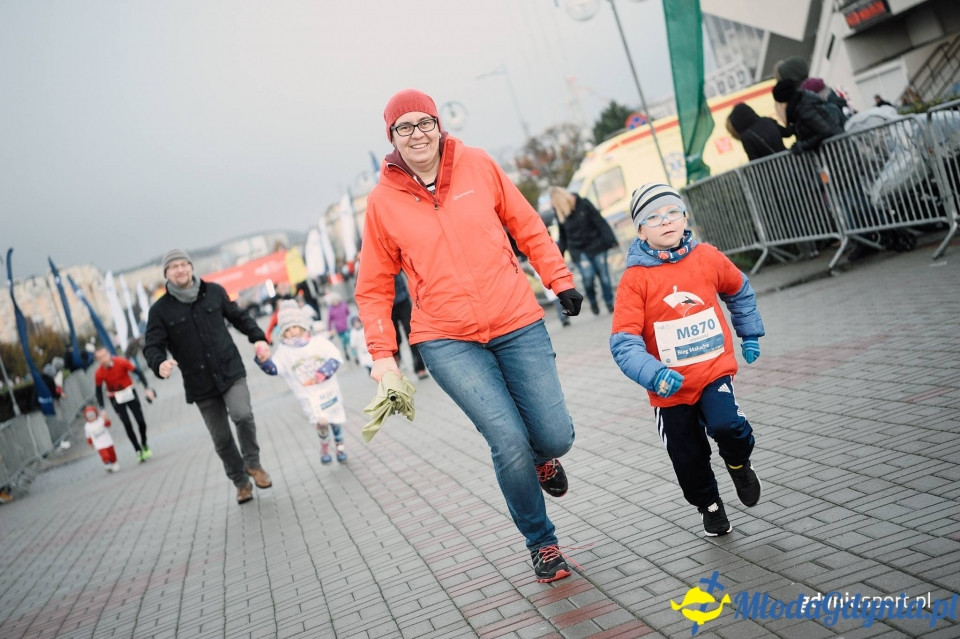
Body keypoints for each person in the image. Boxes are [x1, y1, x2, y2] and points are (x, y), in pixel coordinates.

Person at [355, 88, 584, 584]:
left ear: (439, 125)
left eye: (424, 123)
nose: (416, 134)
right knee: (507, 440)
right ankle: (542, 543)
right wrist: (382, 355)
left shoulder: (479, 165)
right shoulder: (382, 202)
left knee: (553, 435)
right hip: (446, 338)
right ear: (391, 137)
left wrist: (558, 279)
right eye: (404, 127)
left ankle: (543, 458)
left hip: (515, 320)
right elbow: (372, 286)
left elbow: (526, 225)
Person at [610, 183, 765, 537]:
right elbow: (623, 341)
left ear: (684, 217)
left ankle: (739, 463)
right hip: (669, 389)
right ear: (640, 231)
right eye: (653, 217)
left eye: (671, 213)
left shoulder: (707, 257)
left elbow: (738, 289)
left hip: (712, 372)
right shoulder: (635, 280)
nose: (665, 222)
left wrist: (749, 333)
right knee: (688, 457)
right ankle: (709, 505)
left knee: (729, 427)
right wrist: (654, 375)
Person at [144, 249, 273, 505]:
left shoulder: (213, 291)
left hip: (230, 370)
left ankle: (253, 464)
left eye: (183, 264)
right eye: (174, 267)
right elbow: (152, 346)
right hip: (199, 382)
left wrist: (258, 338)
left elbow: (239, 317)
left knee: (243, 415)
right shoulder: (160, 310)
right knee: (222, 439)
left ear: (191, 267)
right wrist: (159, 364)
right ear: (166, 274)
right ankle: (240, 482)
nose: (180, 270)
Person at [256, 306, 348, 464]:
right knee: (322, 422)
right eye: (287, 329)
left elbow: (335, 356)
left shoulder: (318, 342)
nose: (292, 331)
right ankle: (325, 445)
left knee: (335, 420)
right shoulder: (284, 351)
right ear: (282, 332)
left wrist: (323, 373)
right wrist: (263, 361)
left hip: (328, 390)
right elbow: (275, 369)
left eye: (294, 327)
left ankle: (339, 445)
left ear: (302, 326)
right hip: (309, 395)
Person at [549, 187, 619, 315]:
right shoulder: (560, 213)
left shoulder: (584, 204)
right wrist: (559, 255)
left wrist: (611, 239)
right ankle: (592, 300)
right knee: (588, 277)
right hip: (579, 250)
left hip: (596, 244)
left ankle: (609, 302)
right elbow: (563, 236)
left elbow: (599, 221)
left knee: (604, 276)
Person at [93, 346, 155, 462]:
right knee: (127, 424)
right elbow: (98, 391)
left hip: (129, 392)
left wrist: (147, 388)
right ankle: (138, 450)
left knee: (140, 421)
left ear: (109, 354)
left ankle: (144, 444)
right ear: (98, 361)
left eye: (105, 356)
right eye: (100, 358)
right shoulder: (99, 373)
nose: (103, 359)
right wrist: (102, 408)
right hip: (115, 397)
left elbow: (139, 372)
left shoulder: (121, 362)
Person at [772, 79, 844, 154]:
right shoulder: (803, 103)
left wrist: (802, 146)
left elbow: (824, 131)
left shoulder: (803, 109)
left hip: (839, 151)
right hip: (838, 149)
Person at [391, 273, 427, 378]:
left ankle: (419, 367)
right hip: (387, 304)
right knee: (395, 338)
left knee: (411, 333)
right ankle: (396, 359)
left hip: (403, 299)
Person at [725, 102, 790, 161]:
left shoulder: (746, 136)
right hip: (788, 160)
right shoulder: (767, 120)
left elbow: (754, 159)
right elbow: (787, 133)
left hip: (772, 168)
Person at [83, 404, 119, 472]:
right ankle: (107, 463)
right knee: (105, 455)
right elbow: (88, 436)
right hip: (99, 444)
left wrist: (106, 419)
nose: (91, 418)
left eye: (92, 415)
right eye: (89, 416)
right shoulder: (87, 426)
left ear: (96, 414)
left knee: (112, 454)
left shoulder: (100, 420)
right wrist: (90, 443)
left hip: (108, 441)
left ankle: (114, 462)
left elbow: (108, 424)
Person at [326, 291, 352, 356]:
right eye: (333, 301)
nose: (335, 302)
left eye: (336, 300)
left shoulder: (343, 305)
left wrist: (352, 322)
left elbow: (349, 314)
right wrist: (329, 329)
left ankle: (353, 353)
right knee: (343, 341)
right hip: (339, 328)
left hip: (346, 326)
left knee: (349, 338)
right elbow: (329, 320)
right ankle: (345, 351)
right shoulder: (331, 309)